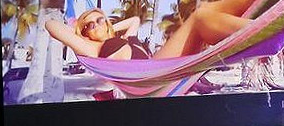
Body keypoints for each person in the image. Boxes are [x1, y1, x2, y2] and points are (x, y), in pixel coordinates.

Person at [45, 1, 258, 62]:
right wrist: (80, 33)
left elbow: (135, 20)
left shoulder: (126, 39)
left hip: (159, 65)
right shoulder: (93, 48)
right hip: (153, 74)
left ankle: (263, 14)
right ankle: (260, 30)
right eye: (90, 25)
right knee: (200, 18)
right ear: (85, 33)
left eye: (100, 20)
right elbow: (51, 25)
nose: (97, 25)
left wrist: (109, 27)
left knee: (207, 9)